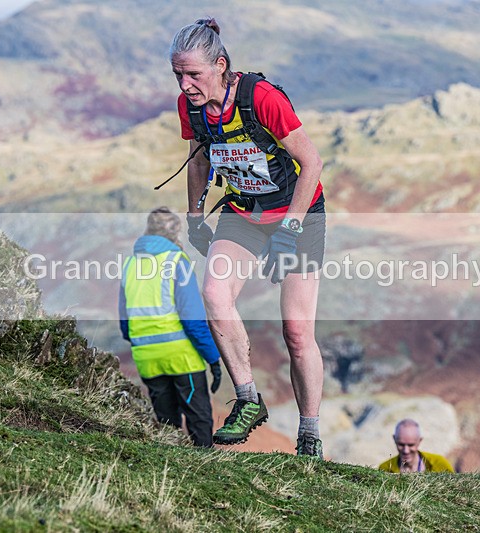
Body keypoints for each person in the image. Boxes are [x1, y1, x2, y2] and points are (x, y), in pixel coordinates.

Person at [168, 18, 326, 457]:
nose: (185, 85)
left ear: (220, 65)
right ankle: (248, 399)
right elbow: (199, 158)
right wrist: (195, 215)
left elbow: (312, 163)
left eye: (194, 74)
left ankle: (309, 434)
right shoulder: (192, 108)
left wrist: (290, 229)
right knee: (214, 295)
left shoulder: (262, 99)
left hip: (299, 213)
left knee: (296, 332)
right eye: (178, 75)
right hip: (244, 212)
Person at [118, 207, 222, 447]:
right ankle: (206, 474)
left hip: (147, 357)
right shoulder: (177, 261)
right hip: (181, 356)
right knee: (200, 421)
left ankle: (170, 477)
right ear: (176, 232)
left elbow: (125, 325)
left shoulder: (130, 266)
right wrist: (213, 359)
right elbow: (193, 321)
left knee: (167, 428)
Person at [378, 419, 455, 473]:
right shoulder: (385, 469)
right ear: (394, 439)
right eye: (401, 444)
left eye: (411, 445)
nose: (406, 450)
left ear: (419, 441)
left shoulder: (440, 464)